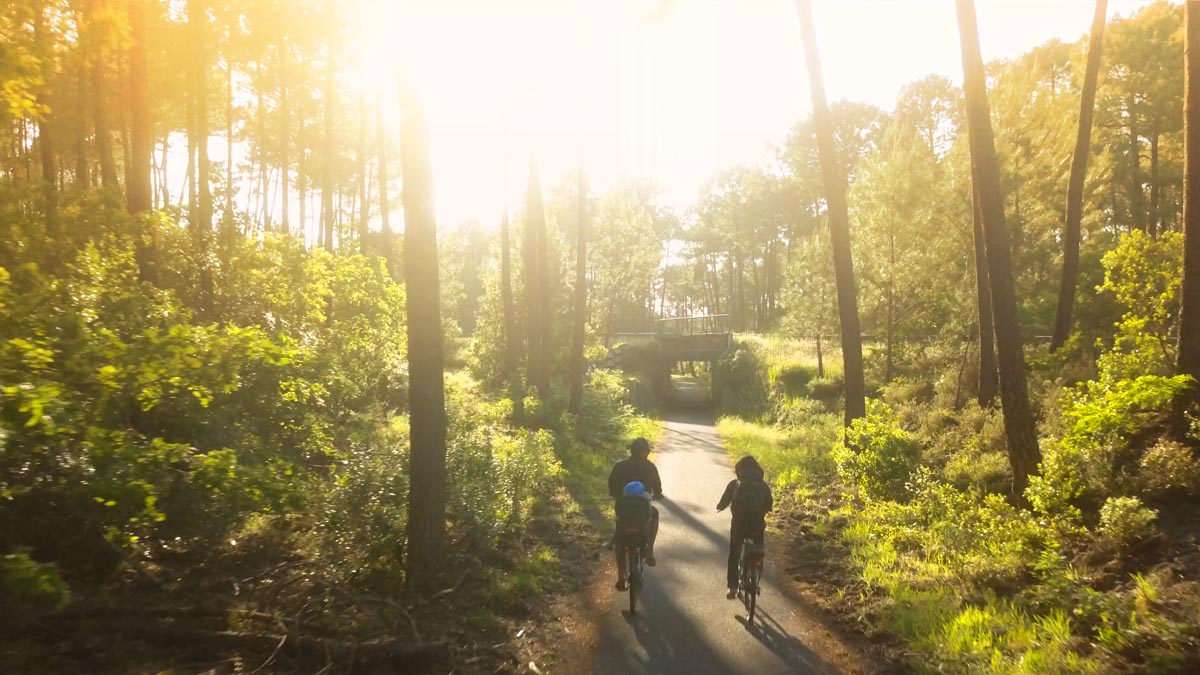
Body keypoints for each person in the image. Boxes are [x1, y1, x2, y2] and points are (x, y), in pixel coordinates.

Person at [608, 437, 662, 590]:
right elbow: (658, 489)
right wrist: (657, 494)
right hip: (642, 512)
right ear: (645, 452)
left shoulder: (619, 466)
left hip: (623, 510)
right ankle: (650, 551)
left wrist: (619, 494)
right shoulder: (650, 467)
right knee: (655, 514)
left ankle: (620, 576)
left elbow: (612, 488)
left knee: (620, 539)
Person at [716, 455, 773, 599]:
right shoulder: (763, 485)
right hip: (756, 525)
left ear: (739, 470)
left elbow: (723, 502)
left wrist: (720, 507)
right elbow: (769, 505)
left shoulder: (735, 484)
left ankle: (732, 587)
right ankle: (756, 566)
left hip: (739, 524)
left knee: (734, 553)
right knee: (758, 548)